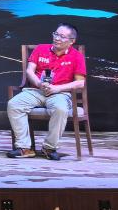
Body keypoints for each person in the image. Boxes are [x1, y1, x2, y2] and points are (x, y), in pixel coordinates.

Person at [7, 23, 86, 160]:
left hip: (60, 93)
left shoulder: (76, 56)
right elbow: (29, 71)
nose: (57, 38)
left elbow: (80, 82)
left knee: (60, 109)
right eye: (56, 34)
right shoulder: (41, 49)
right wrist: (39, 83)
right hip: (36, 90)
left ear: (71, 41)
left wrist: (57, 88)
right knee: (14, 104)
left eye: (62, 36)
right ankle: (25, 148)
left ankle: (49, 148)